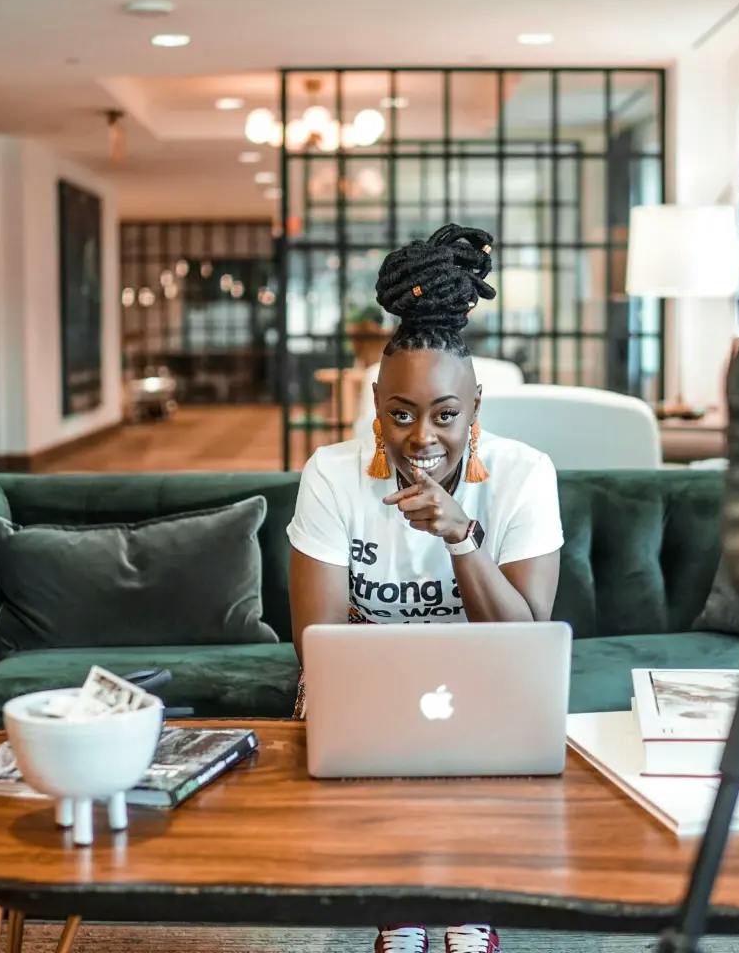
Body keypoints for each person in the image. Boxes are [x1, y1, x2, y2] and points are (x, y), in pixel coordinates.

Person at [286, 223, 564, 953]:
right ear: (376, 402)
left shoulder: (527, 474)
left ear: (477, 407)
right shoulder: (330, 475)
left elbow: (528, 640)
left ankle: (465, 894)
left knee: (484, 716)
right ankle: (402, 898)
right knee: (381, 724)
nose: (422, 439)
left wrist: (461, 537)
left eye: (446, 415)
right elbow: (318, 649)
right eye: (400, 414)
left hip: (490, 680)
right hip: (365, 685)